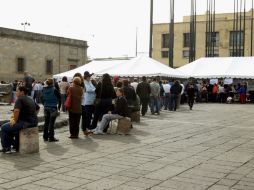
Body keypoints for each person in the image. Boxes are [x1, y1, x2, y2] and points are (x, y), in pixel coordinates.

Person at [0, 86, 38, 153]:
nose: (16, 92)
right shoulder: (30, 98)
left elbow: (16, 111)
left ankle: (6, 148)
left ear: (22, 92)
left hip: (25, 123)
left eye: (17, 91)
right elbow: (38, 108)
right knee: (11, 129)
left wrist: (14, 120)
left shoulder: (19, 99)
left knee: (3, 128)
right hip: (34, 122)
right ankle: (16, 146)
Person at [82, 71, 96, 135]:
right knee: (87, 116)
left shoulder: (89, 82)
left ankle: (88, 128)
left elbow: (93, 88)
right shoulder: (84, 82)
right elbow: (88, 89)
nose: (89, 77)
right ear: (86, 77)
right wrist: (94, 90)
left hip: (91, 100)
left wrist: (93, 89)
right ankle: (87, 128)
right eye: (89, 76)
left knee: (90, 116)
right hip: (87, 101)